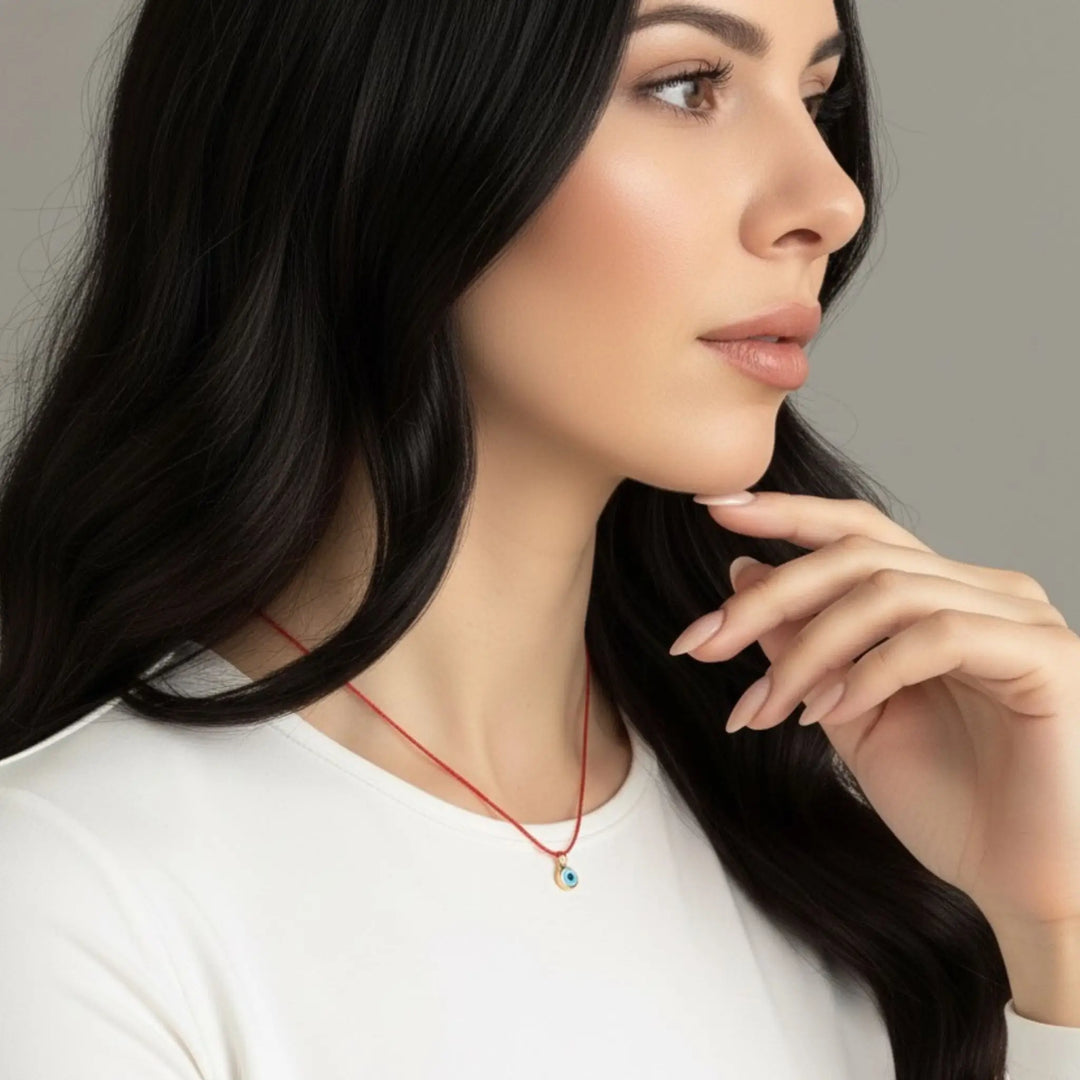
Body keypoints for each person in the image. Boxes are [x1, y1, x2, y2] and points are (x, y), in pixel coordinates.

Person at [1, 0, 1078, 1076]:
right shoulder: (70, 898)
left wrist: (1057, 943)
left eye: (815, 98)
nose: (831, 200)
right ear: (374, 131)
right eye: (686, 85)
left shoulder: (838, 833)